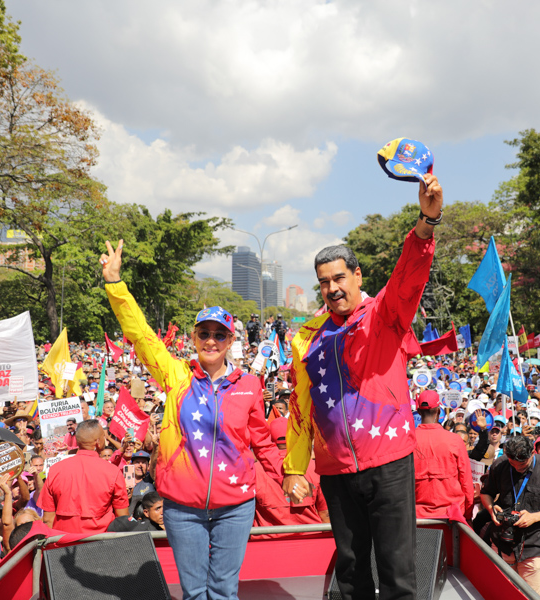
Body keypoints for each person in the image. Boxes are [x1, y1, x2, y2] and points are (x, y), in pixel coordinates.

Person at [282, 173, 443, 600]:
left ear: (357, 275)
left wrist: (426, 223)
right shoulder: (307, 337)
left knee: (397, 575)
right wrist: (295, 468)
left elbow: (409, 277)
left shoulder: (386, 314)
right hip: (335, 472)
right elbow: (302, 410)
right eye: (323, 282)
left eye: (339, 278)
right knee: (351, 574)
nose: (332, 289)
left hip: (389, 463)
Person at [101, 238, 283, 600]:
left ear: (230, 340)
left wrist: (289, 477)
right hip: (182, 508)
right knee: (195, 593)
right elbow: (139, 334)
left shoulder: (249, 384)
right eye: (204, 333)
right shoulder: (176, 374)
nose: (211, 340)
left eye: (219, 335)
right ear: (194, 337)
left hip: (236, 507)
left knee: (224, 591)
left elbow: (262, 441)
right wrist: (115, 284)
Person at [480, 435, 540, 594]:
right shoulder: (500, 465)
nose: (516, 468)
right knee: (500, 594)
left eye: (522, 465)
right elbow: (486, 493)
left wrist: (534, 517)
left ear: (532, 453)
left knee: (529, 596)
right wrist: (491, 508)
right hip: (501, 543)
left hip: (533, 546)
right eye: (512, 464)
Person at [37, 419, 130, 533]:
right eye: (103, 437)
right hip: (101, 543)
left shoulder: (55, 470)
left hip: (63, 543)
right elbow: (122, 520)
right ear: (98, 442)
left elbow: (48, 520)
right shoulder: (113, 472)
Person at [412, 390, 474, 519]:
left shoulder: (407, 440)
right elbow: (466, 482)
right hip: (451, 517)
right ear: (438, 411)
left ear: (418, 412)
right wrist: (468, 516)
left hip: (416, 517)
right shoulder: (454, 440)